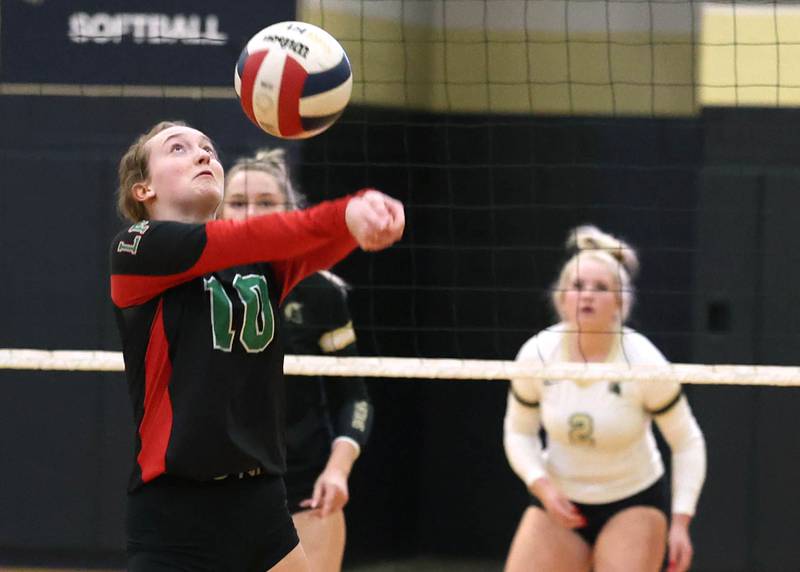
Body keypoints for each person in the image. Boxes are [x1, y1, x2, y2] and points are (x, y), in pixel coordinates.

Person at [110, 121, 403, 572]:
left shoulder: (257, 265)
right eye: (179, 148)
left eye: (208, 147)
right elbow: (253, 235)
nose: (204, 154)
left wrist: (368, 221)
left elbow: (311, 246)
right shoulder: (137, 248)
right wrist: (348, 211)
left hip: (259, 502)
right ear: (143, 190)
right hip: (177, 512)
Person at [503, 225, 706, 572]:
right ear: (562, 298)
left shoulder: (642, 360)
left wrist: (681, 522)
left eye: (601, 288)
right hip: (560, 500)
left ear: (619, 303)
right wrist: (542, 486)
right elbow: (519, 432)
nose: (587, 296)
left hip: (633, 501)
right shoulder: (538, 353)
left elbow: (687, 441)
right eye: (578, 286)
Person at [219, 148, 373, 572]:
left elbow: (355, 397)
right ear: (217, 212)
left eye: (267, 203)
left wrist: (338, 471)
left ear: (292, 213)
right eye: (238, 202)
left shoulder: (320, 291)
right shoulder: (195, 285)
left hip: (302, 486)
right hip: (216, 487)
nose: (251, 213)